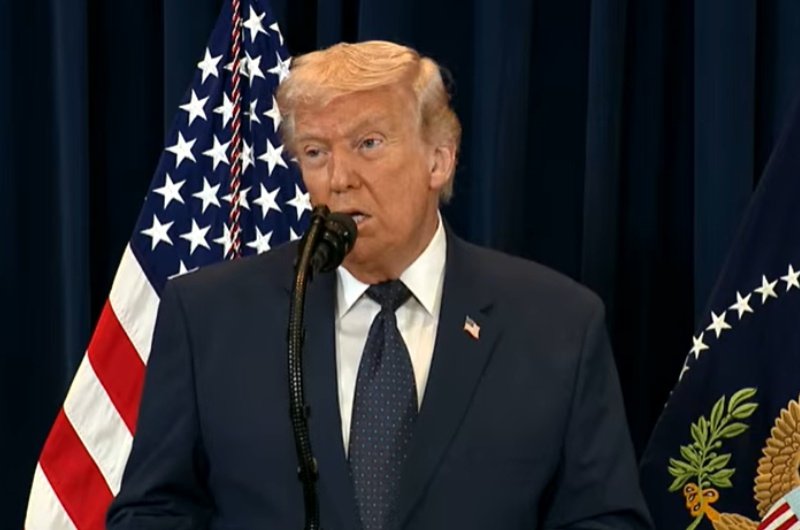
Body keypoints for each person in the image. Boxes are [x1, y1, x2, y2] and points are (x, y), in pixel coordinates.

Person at [107, 40, 653, 529]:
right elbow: (154, 511)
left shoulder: (557, 324)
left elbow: (604, 519)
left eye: (368, 143)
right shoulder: (210, 315)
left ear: (439, 158)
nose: (339, 177)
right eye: (316, 152)